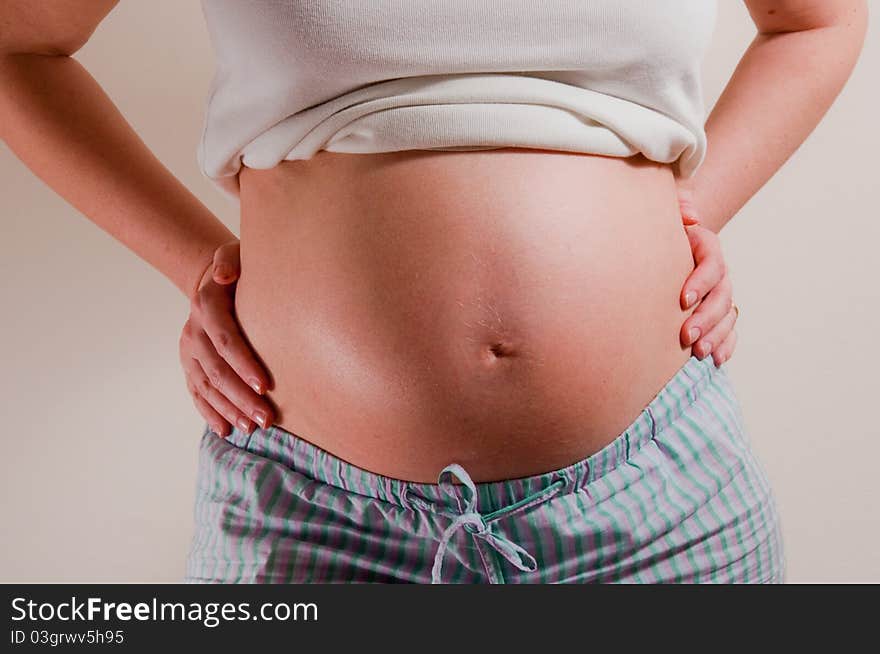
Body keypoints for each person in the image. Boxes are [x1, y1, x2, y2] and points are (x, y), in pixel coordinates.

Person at [0, 0, 867, 584]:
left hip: (661, 507)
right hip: (312, 514)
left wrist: (683, 222)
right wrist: (199, 265)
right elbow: (20, 43)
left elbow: (816, 18)